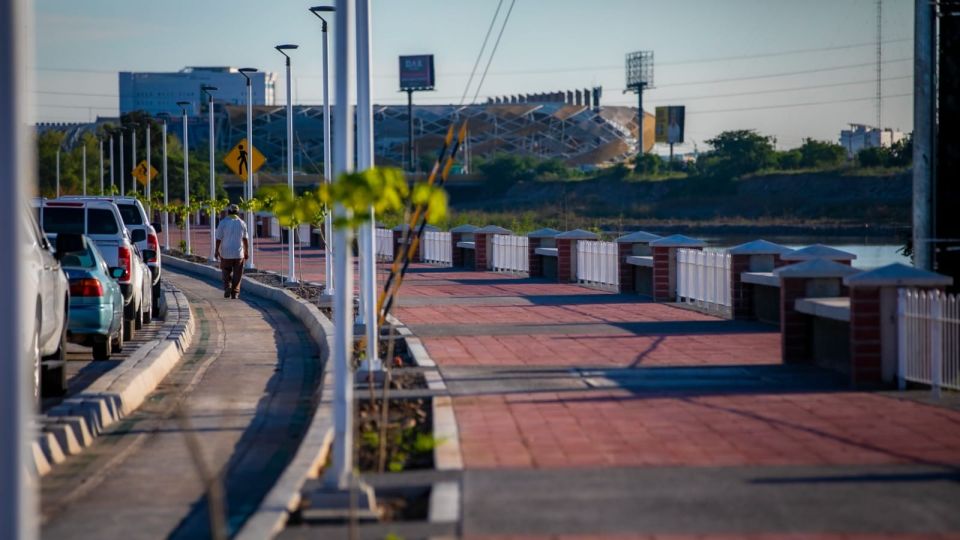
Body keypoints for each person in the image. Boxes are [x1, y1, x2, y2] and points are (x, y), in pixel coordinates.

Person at [215, 204, 249, 299]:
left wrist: (216, 250)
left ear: (228, 212)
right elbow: (245, 239)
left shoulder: (223, 223)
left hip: (226, 253)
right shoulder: (242, 223)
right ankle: (235, 293)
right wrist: (247, 251)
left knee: (226, 271)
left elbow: (218, 238)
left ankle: (228, 287)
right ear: (238, 212)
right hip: (239, 253)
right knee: (238, 274)